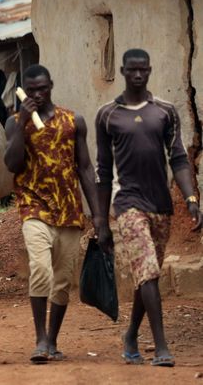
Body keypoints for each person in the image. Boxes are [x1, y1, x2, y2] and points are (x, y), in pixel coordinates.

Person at [95, 49, 202, 368]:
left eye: (143, 69)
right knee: (149, 271)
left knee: (147, 274)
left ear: (150, 70)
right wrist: (101, 219)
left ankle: (130, 335)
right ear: (123, 71)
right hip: (127, 203)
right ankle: (161, 347)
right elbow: (103, 169)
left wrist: (192, 199)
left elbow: (179, 159)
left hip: (160, 205)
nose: (138, 75)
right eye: (132, 70)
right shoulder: (107, 114)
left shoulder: (165, 112)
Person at [4, 64, 107, 363]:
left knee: (63, 281)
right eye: (31, 89)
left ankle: (52, 339)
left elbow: (85, 168)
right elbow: (12, 163)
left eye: (42, 88)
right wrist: (23, 122)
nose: (37, 94)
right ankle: (39, 339)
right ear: (23, 90)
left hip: (69, 209)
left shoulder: (73, 121)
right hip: (33, 205)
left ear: (51, 85)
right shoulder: (15, 122)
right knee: (40, 269)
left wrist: (98, 216)